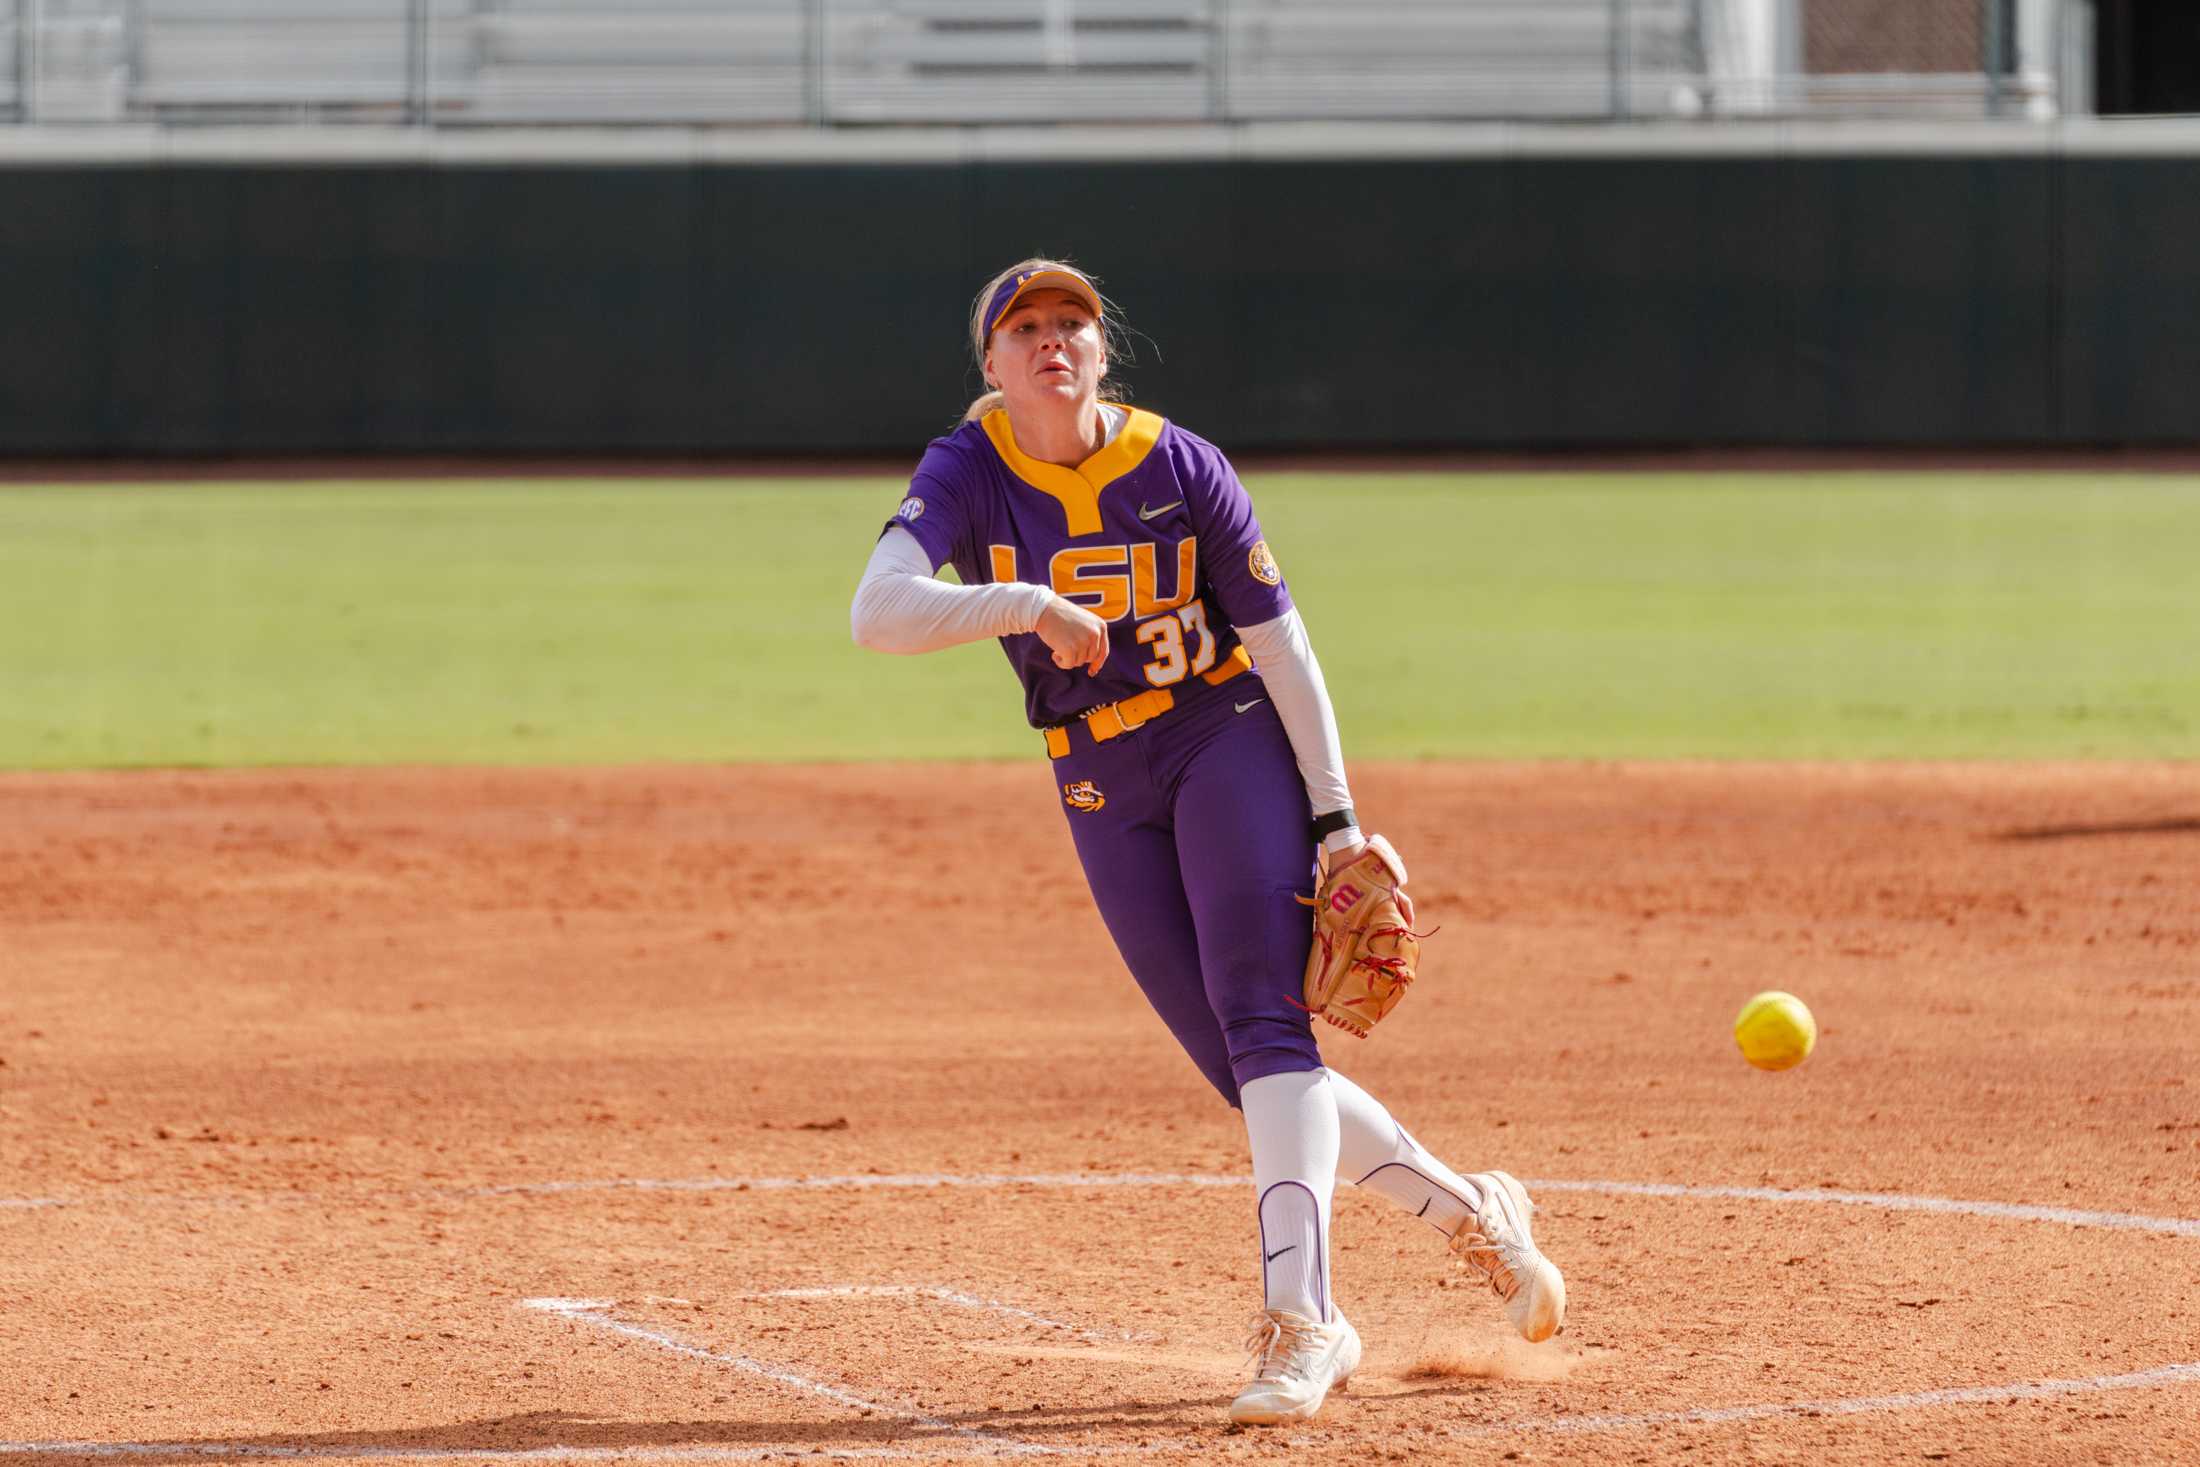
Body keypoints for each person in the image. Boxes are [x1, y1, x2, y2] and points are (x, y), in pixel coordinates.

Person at [849, 259, 1564, 1426]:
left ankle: (1306, 1324)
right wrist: (1023, 605)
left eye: (1072, 322)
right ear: (990, 364)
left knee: (1263, 1019)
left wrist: (1332, 814)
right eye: (1024, 327)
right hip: (1094, 773)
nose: (1052, 341)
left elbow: (1281, 648)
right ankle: (1474, 1213)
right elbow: (876, 613)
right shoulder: (969, 468)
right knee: (1249, 1073)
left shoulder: (1181, 465)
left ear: (1100, 347)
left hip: (1220, 735)